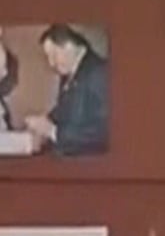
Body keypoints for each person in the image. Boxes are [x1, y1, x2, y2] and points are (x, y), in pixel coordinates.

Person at [29, 25, 109, 157]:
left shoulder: (99, 73)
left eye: (53, 55)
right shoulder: (71, 73)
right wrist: (46, 119)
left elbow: (103, 131)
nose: (51, 64)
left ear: (69, 46)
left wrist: (53, 131)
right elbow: (65, 108)